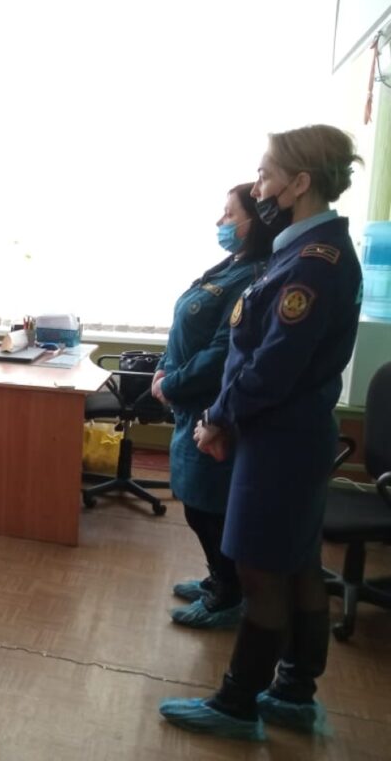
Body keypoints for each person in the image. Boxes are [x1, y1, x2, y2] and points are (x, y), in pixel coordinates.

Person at [160, 125, 364, 741]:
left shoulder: (313, 264)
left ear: (300, 183)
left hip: (278, 441)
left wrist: (218, 418)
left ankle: (236, 704)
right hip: (289, 435)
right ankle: (294, 693)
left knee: (260, 574)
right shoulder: (307, 251)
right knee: (297, 566)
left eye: (266, 174)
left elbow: (270, 366)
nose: (257, 187)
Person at [151, 183, 275, 630]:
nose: (220, 222)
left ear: (252, 222)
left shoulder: (255, 276)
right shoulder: (230, 267)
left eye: (229, 214)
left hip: (211, 408)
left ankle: (227, 594)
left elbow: (223, 351)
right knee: (196, 501)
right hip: (189, 403)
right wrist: (163, 369)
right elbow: (185, 327)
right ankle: (217, 578)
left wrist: (173, 383)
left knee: (207, 507)